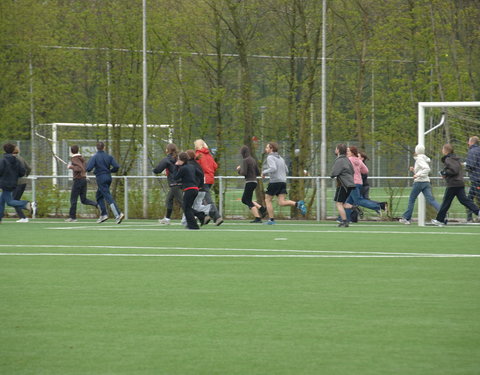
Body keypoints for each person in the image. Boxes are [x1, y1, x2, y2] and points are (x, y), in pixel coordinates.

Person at [432, 144, 480, 226]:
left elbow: (454, 170)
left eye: (443, 149)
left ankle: (439, 220)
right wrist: (445, 173)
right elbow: (454, 169)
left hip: (453, 184)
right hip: (459, 183)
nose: (442, 151)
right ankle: (478, 212)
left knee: (446, 202)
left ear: (446, 151)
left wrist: (444, 173)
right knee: (464, 200)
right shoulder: (455, 158)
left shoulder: (448, 159)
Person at [261, 142, 307, 225]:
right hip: (283, 182)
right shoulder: (281, 158)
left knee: (267, 200)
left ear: (271, 149)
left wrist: (264, 172)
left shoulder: (270, 157)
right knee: (281, 202)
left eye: (267, 147)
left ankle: (271, 220)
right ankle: (298, 204)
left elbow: (273, 168)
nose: (266, 149)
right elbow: (286, 170)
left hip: (275, 182)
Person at [398, 145, 440, 225]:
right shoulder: (424, 158)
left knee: (411, 200)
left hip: (419, 182)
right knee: (431, 200)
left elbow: (427, 169)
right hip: (426, 182)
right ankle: (442, 213)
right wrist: (414, 171)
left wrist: (418, 175)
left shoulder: (419, 159)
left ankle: (407, 218)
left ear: (417, 150)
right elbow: (422, 171)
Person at [344, 146, 387, 221]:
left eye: (348, 151)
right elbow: (366, 171)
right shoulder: (359, 160)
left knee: (358, 200)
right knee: (348, 202)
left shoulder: (348, 160)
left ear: (352, 153)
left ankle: (380, 206)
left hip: (351, 183)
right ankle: (346, 219)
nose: (346, 152)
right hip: (359, 183)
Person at [86, 141, 124, 224]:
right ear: (104, 147)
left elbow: (88, 168)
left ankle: (118, 214)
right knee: (99, 196)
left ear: (97, 148)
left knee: (107, 196)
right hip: (108, 177)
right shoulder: (108, 156)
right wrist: (110, 171)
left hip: (100, 178)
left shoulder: (95, 157)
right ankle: (103, 214)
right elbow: (116, 166)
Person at [0, 143, 34, 223]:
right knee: (1, 201)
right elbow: (22, 172)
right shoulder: (17, 160)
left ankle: (27, 204)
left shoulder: (3, 161)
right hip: (14, 183)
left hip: (5, 183)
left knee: (10, 202)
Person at [66, 145, 99, 222]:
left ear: (71, 151)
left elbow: (80, 168)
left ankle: (72, 217)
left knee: (73, 199)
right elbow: (84, 168)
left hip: (78, 180)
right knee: (83, 200)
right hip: (84, 179)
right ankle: (97, 205)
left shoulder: (74, 158)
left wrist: (71, 167)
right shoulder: (82, 158)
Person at [194, 139, 223, 226]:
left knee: (206, 198)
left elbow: (195, 167)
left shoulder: (198, 155)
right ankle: (205, 216)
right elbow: (215, 166)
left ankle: (217, 217)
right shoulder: (209, 155)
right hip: (210, 178)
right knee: (201, 199)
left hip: (203, 179)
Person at [153, 143, 183, 225]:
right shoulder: (179, 158)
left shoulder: (167, 159)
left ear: (167, 150)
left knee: (182, 202)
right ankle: (167, 218)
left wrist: (154, 170)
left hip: (174, 183)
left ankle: (195, 215)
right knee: (169, 200)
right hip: (182, 181)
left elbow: (158, 169)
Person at [173, 152, 204, 230]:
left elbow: (175, 177)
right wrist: (200, 185)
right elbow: (201, 174)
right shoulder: (192, 166)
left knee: (186, 208)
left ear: (181, 160)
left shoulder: (183, 168)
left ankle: (193, 226)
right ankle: (200, 215)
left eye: (178, 160)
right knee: (187, 207)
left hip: (188, 189)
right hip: (195, 189)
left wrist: (176, 166)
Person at [236, 145, 266, 223]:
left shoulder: (245, 160)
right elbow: (257, 172)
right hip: (254, 182)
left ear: (243, 153)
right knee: (244, 200)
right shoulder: (253, 160)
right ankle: (261, 209)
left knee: (248, 201)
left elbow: (244, 172)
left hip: (249, 182)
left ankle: (257, 218)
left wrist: (239, 170)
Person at [331, 144, 355, 227]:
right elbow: (352, 171)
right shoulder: (347, 159)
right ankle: (353, 207)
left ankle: (344, 221)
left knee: (339, 203)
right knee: (343, 203)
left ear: (338, 150)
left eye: (336, 148)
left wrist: (332, 175)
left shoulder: (339, 160)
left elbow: (334, 172)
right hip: (349, 184)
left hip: (343, 185)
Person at [12, 146, 32, 223]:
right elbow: (29, 168)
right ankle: (23, 217)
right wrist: (25, 176)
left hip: (17, 182)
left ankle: (28, 205)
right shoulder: (21, 158)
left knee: (13, 201)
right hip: (23, 181)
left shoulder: (13, 160)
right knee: (14, 200)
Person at [466, 136, 480, 222]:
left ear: (471, 142)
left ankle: (469, 218)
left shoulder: (472, 151)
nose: (467, 143)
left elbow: (470, 165)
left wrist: (465, 166)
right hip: (477, 179)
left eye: (468, 141)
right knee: (469, 198)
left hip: (476, 179)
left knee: (470, 199)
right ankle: (469, 217)